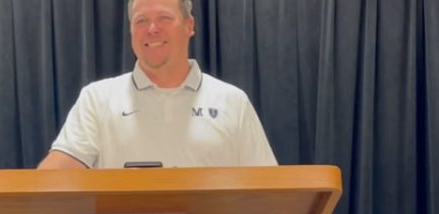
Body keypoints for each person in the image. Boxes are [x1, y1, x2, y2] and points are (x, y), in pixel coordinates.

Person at [37, 0, 278, 169]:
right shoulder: (97, 99)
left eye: (164, 18)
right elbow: (54, 180)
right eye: (141, 21)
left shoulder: (232, 101)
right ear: (131, 31)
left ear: (189, 25)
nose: (152, 29)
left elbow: (269, 195)